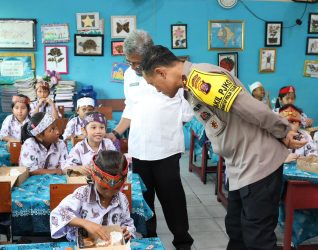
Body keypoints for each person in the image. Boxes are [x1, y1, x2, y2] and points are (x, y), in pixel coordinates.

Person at [141, 45, 307, 250]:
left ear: (161, 72)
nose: (157, 89)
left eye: (153, 84)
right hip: (241, 165)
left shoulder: (203, 78)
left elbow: (249, 107)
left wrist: (283, 130)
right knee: (236, 231)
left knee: (257, 238)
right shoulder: (191, 85)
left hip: (257, 162)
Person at [106, 30, 194, 250]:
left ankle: (182, 243)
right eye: (129, 61)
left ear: (150, 56)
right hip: (138, 149)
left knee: (172, 201)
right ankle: (148, 242)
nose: (133, 67)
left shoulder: (169, 73)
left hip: (166, 150)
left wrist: (164, 126)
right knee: (144, 202)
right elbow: (131, 107)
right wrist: (116, 132)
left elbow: (186, 113)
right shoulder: (128, 75)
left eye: (136, 62)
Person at [50, 150, 135, 243]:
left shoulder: (122, 199)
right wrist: (85, 223)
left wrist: (127, 231)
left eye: (116, 188)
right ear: (93, 177)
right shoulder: (82, 194)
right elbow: (57, 214)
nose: (109, 193)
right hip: (83, 245)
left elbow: (128, 223)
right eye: (104, 188)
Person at [63, 111, 116, 176]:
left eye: (102, 127)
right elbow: (65, 169)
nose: (98, 131)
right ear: (84, 131)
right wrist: (79, 169)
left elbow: (116, 163)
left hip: (106, 183)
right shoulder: (79, 147)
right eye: (93, 127)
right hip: (85, 183)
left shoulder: (108, 144)